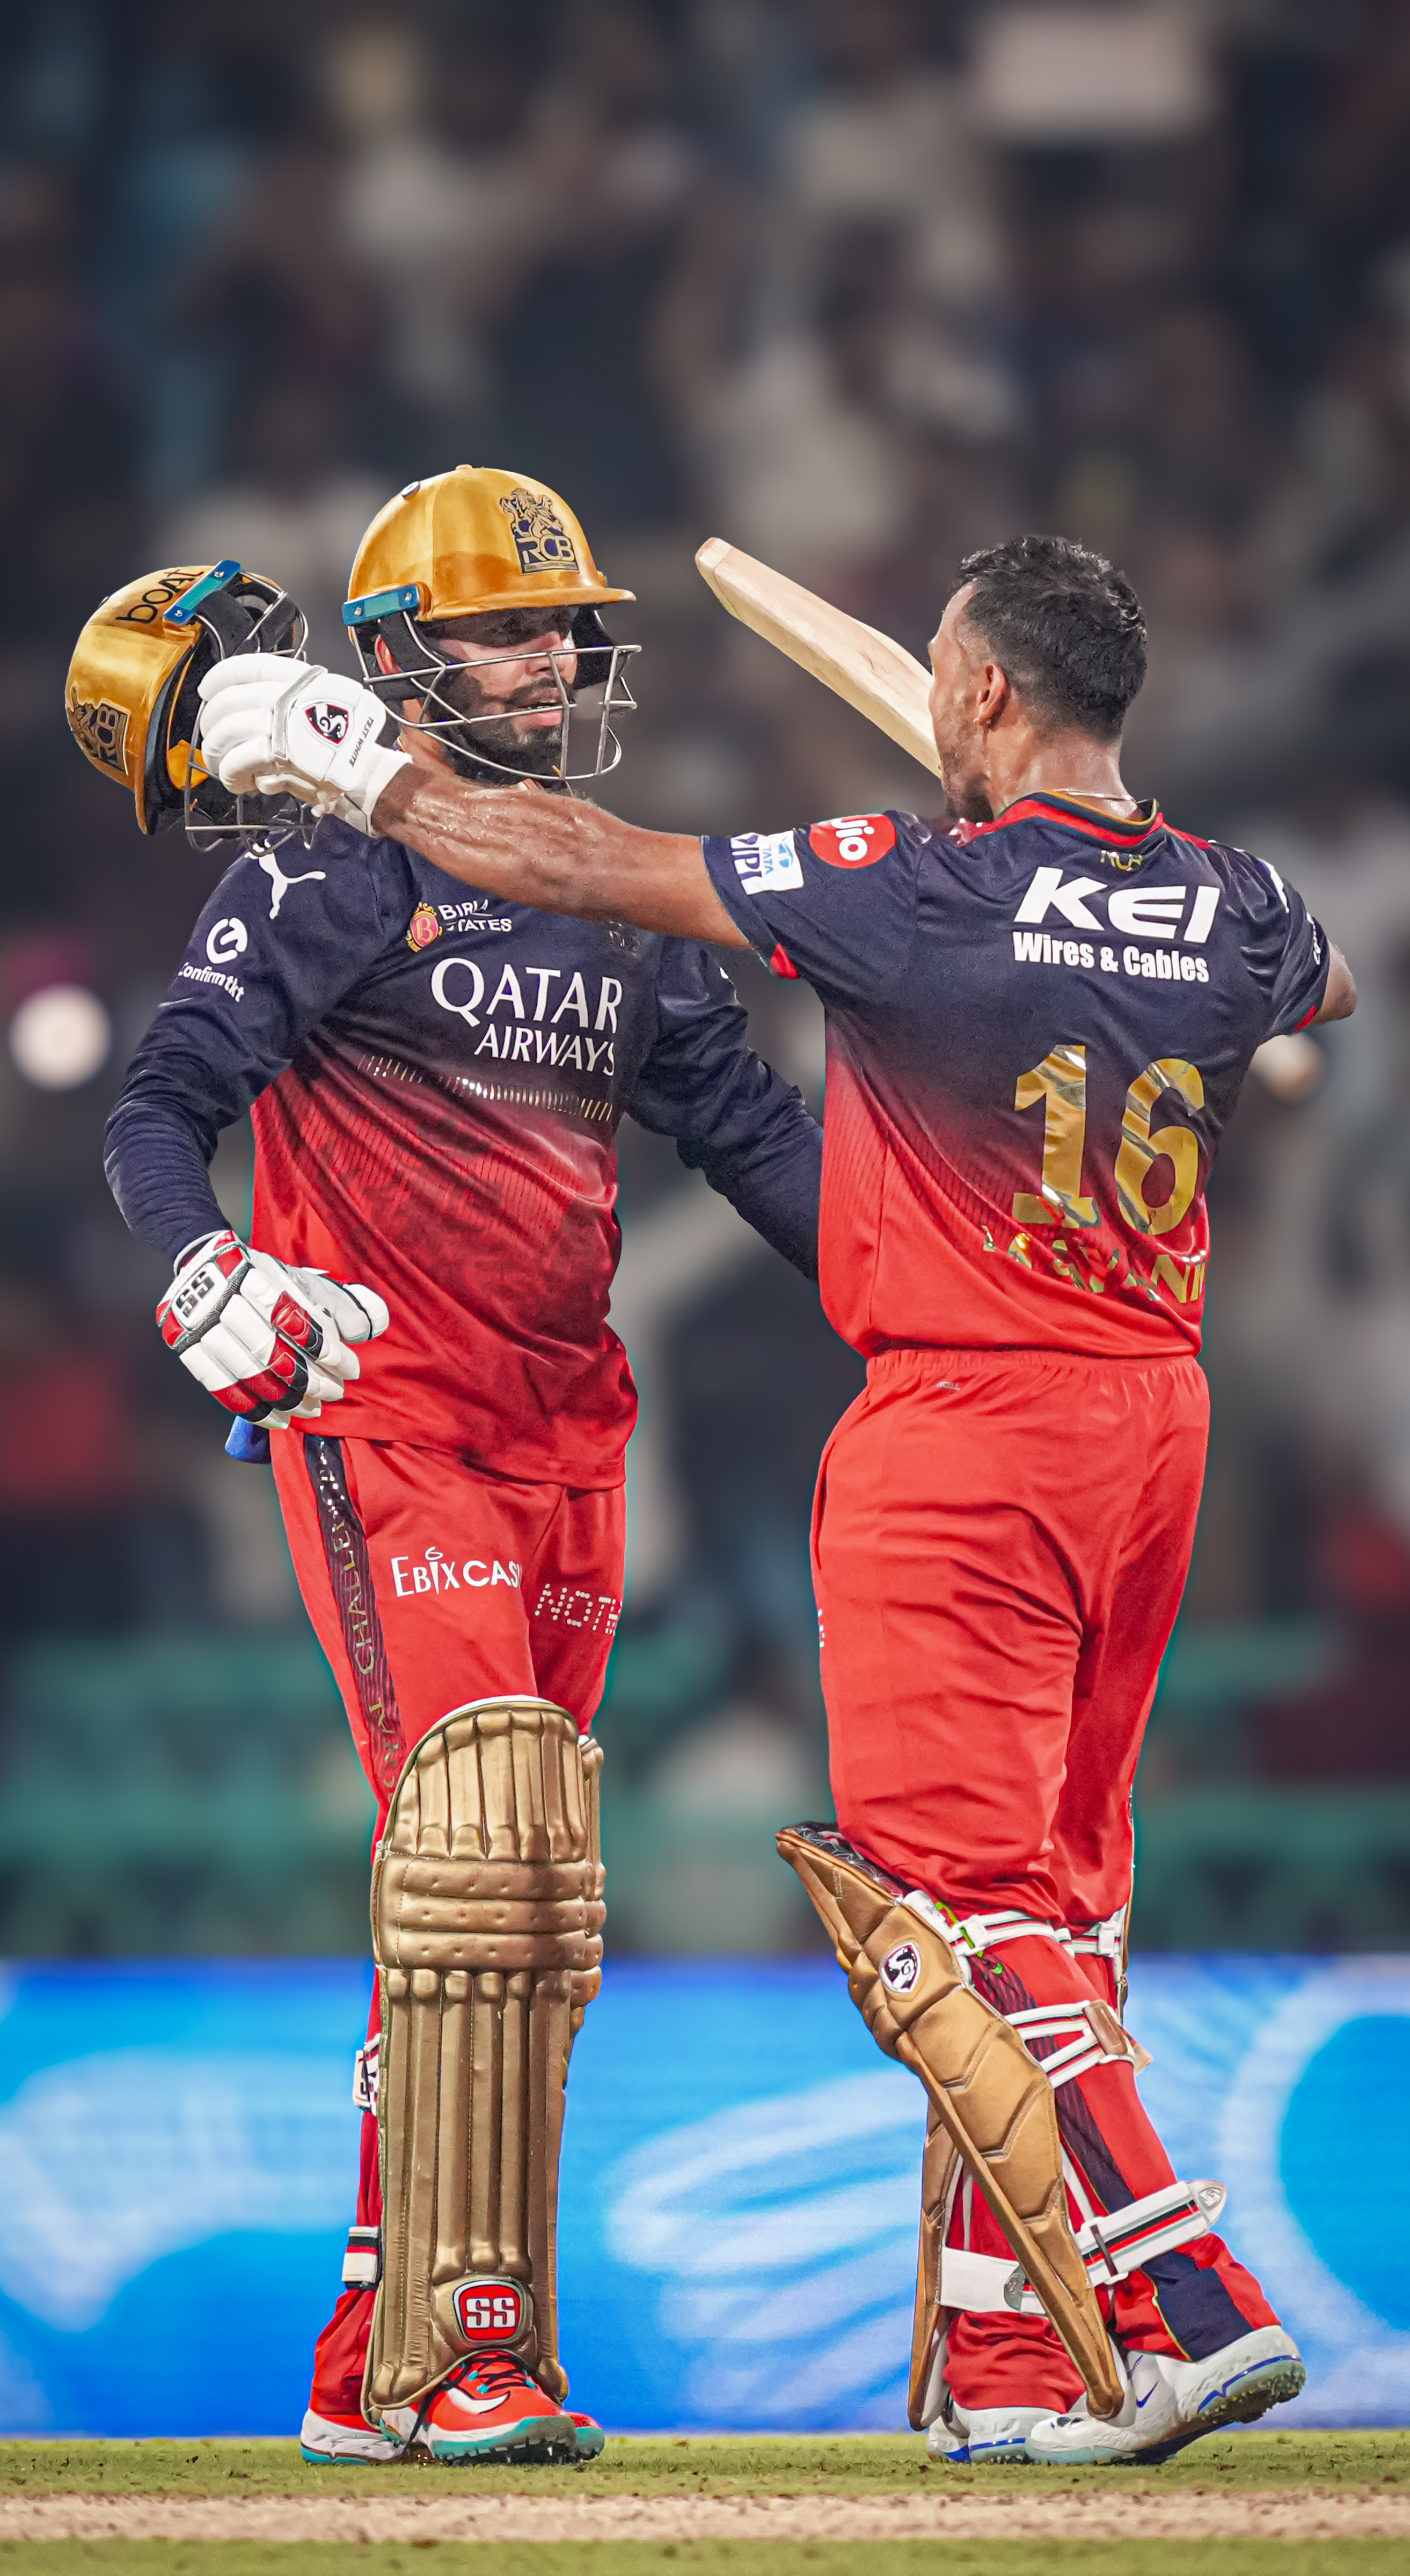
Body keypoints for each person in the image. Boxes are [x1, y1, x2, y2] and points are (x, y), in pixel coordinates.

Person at [198, 532, 1355, 2467]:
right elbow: (1318, 991)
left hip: (964, 1426)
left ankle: (1183, 2294)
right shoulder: (1234, 903)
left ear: (975, 693)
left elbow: (583, 863)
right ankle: (1009, 2358)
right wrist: (1101, 857)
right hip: (1155, 1423)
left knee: (953, 1908)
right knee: (1065, 1894)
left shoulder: (905, 886)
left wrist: (361, 767)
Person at [98, 471, 821, 2468]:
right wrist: (203, 1268)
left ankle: (378, 2350)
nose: (552, 660)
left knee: (528, 1911)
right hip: (389, 1418)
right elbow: (158, 1106)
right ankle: (465, 2349)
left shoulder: (606, 883)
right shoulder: (324, 872)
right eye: (508, 628)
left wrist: (939, 1289)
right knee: (480, 1865)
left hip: (572, 1436)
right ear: (399, 659)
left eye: (565, 629)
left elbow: (756, 1142)